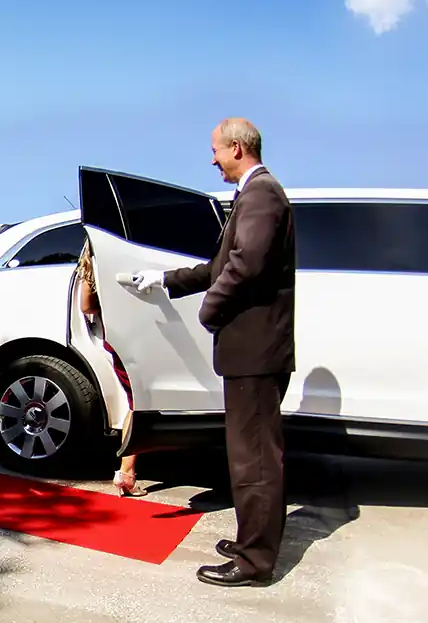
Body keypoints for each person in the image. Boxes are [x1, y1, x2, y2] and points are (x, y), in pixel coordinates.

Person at [132, 118, 295, 587]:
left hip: (255, 351)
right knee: (251, 454)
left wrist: (209, 311)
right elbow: (219, 265)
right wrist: (165, 280)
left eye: (217, 150)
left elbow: (245, 267)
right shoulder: (255, 195)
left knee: (256, 459)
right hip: (253, 352)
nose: (213, 159)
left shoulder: (262, 194)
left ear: (238, 149)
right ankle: (253, 539)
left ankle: (255, 562)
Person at [75, 242, 145, 497]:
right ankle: (126, 472)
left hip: (117, 339)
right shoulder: (136, 258)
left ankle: (126, 472)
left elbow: (86, 306)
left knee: (137, 403)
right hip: (143, 336)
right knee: (140, 404)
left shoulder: (96, 264)